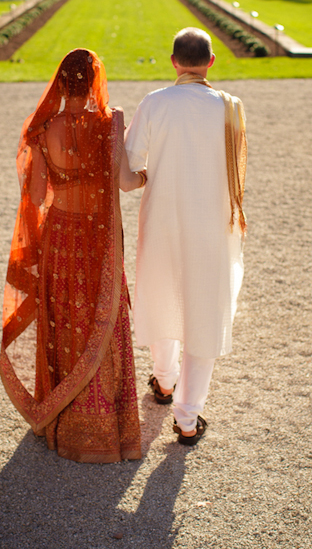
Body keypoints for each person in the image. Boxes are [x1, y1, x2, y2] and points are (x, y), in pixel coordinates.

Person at [0, 49, 145, 463]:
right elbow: (125, 183)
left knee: (64, 317)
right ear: (95, 80)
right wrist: (147, 177)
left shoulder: (43, 128)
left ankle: (61, 420)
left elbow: (37, 196)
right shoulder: (111, 122)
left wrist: (58, 171)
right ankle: (106, 425)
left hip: (61, 236)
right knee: (100, 317)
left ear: (61, 84)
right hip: (97, 240)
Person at [125, 28, 247, 446]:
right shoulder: (230, 107)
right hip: (210, 222)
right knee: (203, 311)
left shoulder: (155, 102)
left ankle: (163, 382)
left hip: (162, 216)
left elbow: (129, 164)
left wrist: (148, 176)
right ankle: (188, 418)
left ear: (174, 61)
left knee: (161, 295)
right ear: (212, 61)